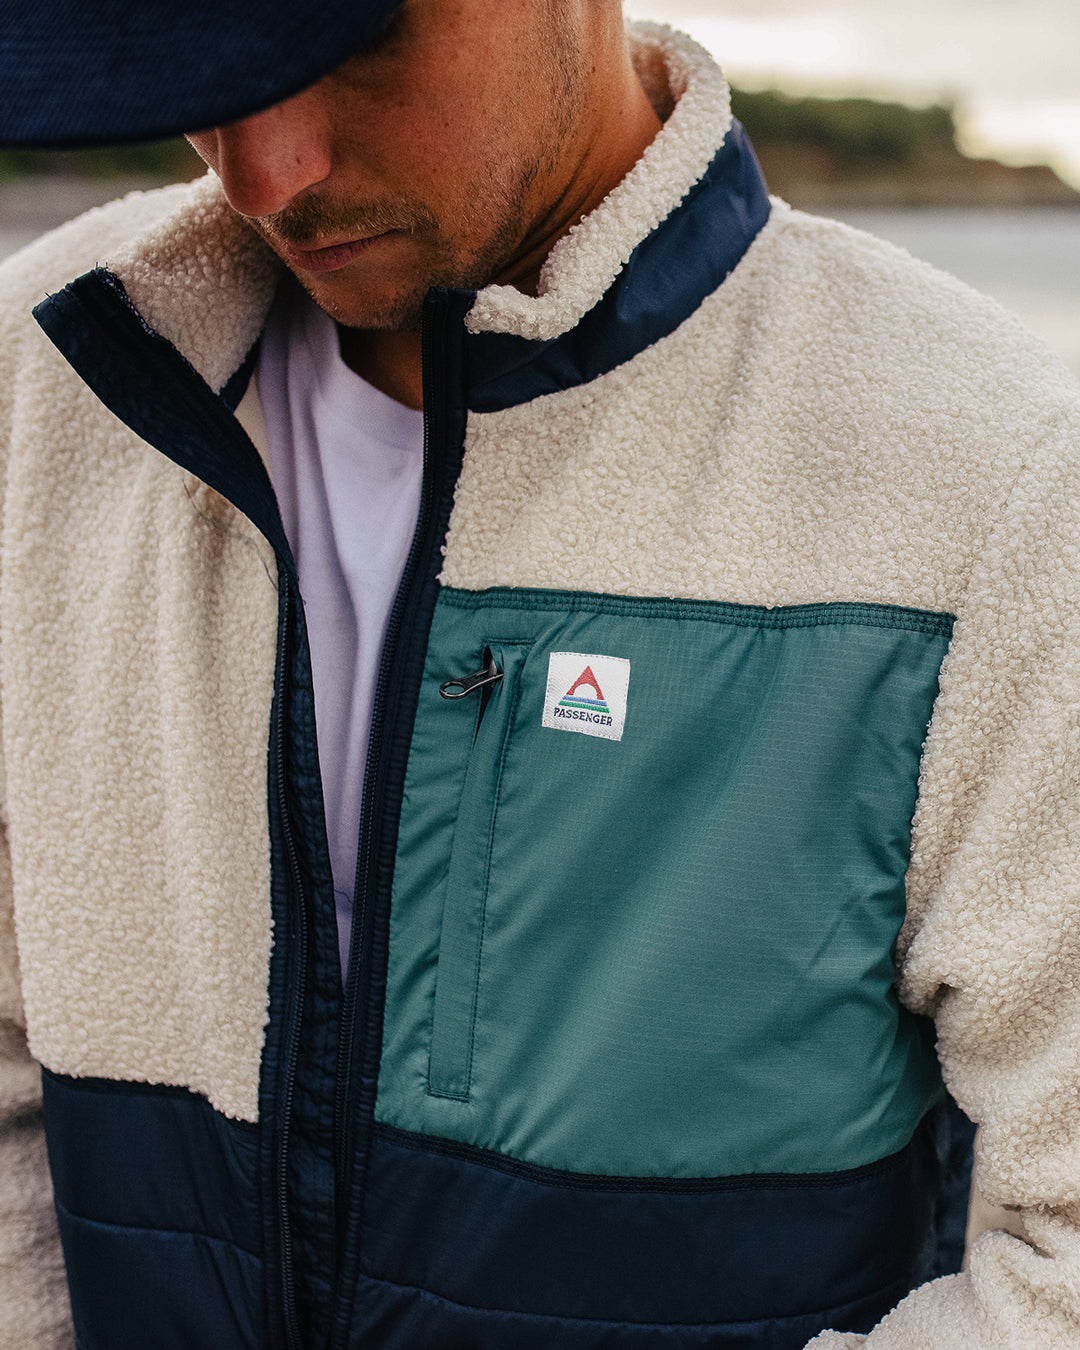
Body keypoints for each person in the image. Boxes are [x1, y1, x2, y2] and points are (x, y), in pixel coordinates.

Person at [0, 0, 1078, 1346]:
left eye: (345, 47)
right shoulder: (40, 377)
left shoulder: (995, 482)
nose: (265, 173)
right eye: (189, 70)